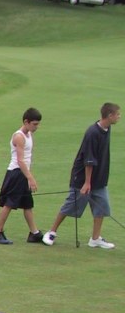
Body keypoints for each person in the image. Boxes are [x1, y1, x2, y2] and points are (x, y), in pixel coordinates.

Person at [41, 102, 121, 250]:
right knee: (71, 206)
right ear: (109, 116)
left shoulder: (107, 128)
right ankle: (51, 232)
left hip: (99, 179)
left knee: (102, 208)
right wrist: (87, 183)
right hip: (83, 178)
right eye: (118, 114)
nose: (119, 117)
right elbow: (88, 160)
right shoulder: (92, 133)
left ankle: (95, 239)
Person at [0, 108, 43, 246]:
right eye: (34, 124)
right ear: (26, 122)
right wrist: (30, 177)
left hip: (23, 173)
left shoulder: (29, 135)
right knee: (9, 203)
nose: (37, 127)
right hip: (17, 173)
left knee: (27, 204)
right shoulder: (19, 137)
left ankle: (34, 233)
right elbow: (20, 160)